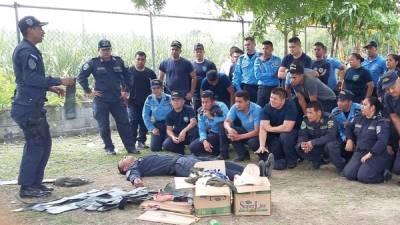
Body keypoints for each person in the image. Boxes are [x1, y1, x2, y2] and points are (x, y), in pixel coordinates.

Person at [11, 16, 75, 198]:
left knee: (44, 143)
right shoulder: (26, 51)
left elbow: (28, 79)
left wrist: (50, 87)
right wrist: (59, 80)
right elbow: (29, 79)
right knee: (36, 144)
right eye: (40, 28)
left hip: (33, 107)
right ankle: (27, 187)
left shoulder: (30, 50)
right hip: (27, 108)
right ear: (30, 30)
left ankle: (35, 184)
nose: (43, 31)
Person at [77, 39, 136, 155]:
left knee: (124, 123)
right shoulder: (93, 63)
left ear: (111, 50)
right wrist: (89, 90)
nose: (106, 52)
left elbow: (128, 75)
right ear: (99, 50)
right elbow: (81, 77)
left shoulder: (118, 61)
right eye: (103, 50)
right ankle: (109, 148)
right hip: (101, 100)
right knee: (104, 125)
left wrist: (126, 90)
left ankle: (131, 147)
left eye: (108, 49)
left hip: (117, 99)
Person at [342, 97, 391, 183]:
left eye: (365, 105)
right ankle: (364, 169)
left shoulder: (381, 121)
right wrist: (349, 139)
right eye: (362, 104)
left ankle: (383, 175)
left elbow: (382, 141)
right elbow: (348, 126)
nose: (362, 107)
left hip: (376, 154)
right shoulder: (359, 117)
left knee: (363, 177)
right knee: (349, 174)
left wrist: (370, 154)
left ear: (372, 108)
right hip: (360, 152)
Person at [117, 154, 245, 187]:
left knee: (214, 162)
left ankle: (249, 170)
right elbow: (132, 175)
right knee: (210, 169)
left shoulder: (138, 161)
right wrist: (136, 180)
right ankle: (243, 176)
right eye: (123, 159)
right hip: (179, 165)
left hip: (182, 159)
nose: (125, 156)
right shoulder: (134, 167)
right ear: (125, 167)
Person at [258, 87, 300, 170]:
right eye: (271, 97)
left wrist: (269, 128)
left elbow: (287, 128)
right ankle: (270, 158)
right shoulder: (267, 107)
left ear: (283, 100)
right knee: (255, 142)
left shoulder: (290, 105)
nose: (272, 100)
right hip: (275, 132)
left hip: (293, 131)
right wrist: (262, 145)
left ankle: (292, 160)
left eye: (275, 99)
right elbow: (263, 128)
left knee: (285, 136)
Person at [296, 102, 342, 170]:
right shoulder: (305, 120)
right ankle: (318, 160)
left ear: (319, 112)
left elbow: (331, 136)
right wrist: (303, 143)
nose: (308, 115)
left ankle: (341, 166)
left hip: (330, 144)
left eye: (310, 113)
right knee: (299, 147)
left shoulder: (329, 118)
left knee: (331, 146)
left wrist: (313, 142)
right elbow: (302, 134)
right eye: (307, 112)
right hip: (316, 145)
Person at [127, 51, 157, 149]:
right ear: (134, 60)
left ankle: (142, 141)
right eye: (138, 59)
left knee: (144, 121)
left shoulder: (150, 73)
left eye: (142, 59)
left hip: (146, 103)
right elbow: (122, 84)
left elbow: (156, 86)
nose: (140, 61)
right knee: (133, 121)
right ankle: (132, 143)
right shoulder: (129, 71)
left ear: (145, 60)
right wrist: (123, 95)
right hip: (132, 102)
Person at [221, 90, 262, 161]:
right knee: (226, 128)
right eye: (236, 101)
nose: (237, 104)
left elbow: (257, 131)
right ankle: (242, 154)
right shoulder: (235, 107)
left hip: (258, 134)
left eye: (240, 102)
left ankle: (263, 156)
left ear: (247, 102)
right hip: (246, 130)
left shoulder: (257, 109)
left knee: (252, 142)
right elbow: (226, 122)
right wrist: (230, 129)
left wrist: (239, 137)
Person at [189, 90, 229, 157]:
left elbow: (228, 120)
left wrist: (212, 118)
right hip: (213, 134)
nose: (204, 104)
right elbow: (201, 129)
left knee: (222, 125)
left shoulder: (221, 105)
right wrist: (204, 141)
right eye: (202, 102)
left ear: (213, 102)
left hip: (225, 133)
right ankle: (212, 153)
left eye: (207, 102)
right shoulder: (201, 112)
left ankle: (223, 154)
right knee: (192, 147)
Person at [159, 40, 196, 105]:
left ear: (180, 51)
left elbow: (194, 78)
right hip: (170, 96)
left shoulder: (187, 63)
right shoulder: (164, 63)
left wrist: (191, 93)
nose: (174, 51)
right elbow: (160, 79)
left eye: (176, 49)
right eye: (172, 49)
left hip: (184, 97)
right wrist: (161, 92)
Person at [330, 90, 362, 162]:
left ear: (350, 102)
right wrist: (346, 138)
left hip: (359, 138)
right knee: (332, 146)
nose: (339, 103)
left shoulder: (360, 109)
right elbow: (336, 129)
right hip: (343, 138)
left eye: (342, 101)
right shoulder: (335, 112)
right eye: (338, 101)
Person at [142, 79, 172, 152]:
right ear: (151, 89)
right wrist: (152, 128)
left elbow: (175, 112)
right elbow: (145, 115)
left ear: (162, 88)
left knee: (168, 146)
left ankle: (166, 139)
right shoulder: (149, 99)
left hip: (168, 125)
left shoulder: (169, 98)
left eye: (158, 88)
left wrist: (174, 126)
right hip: (157, 125)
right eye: (154, 88)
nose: (156, 90)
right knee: (155, 148)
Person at [232, 37, 260, 102]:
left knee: (258, 108)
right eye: (245, 45)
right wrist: (239, 90)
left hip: (259, 87)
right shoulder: (241, 59)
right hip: (246, 87)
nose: (247, 47)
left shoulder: (261, 57)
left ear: (254, 44)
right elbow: (237, 75)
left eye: (249, 44)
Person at [254, 40, 281, 107]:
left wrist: (264, 73)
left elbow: (275, 73)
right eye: (263, 48)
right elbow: (257, 76)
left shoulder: (277, 59)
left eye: (267, 48)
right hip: (262, 88)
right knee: (260, 108)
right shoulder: (258, 60)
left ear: (272, 49)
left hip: (275, 88)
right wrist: (271, 75)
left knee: (275, 107)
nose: (264, 50)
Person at [382, 72, 400, 168]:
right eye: (387, 89)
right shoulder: (388, 97)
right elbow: (394, 117)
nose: (391, 91)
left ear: (398, 80)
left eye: (393, 87)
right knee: (397, 169)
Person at [192, 43, 217, 112]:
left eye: (200, 51)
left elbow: (215, 78)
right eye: (197, 52)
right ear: (194, 53)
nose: (199, 53)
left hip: (209, 92)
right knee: (198, 111)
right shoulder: (191, 65)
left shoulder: (210, 64)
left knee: (212, 110)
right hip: (196, 94)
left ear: (204, 52)